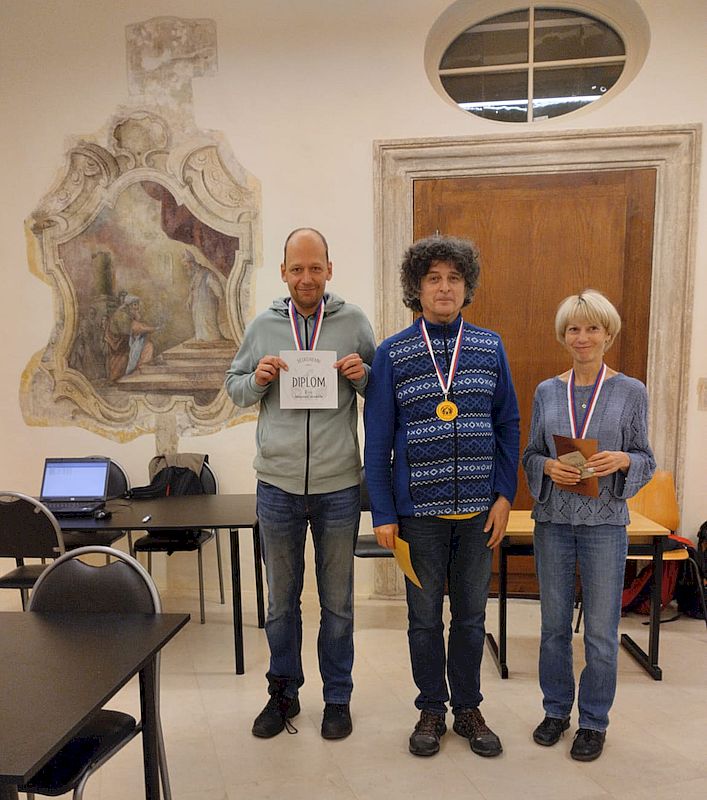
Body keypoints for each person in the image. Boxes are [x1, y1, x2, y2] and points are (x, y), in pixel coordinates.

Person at [363, 235, 520, 758]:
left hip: (479, 515)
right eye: (434, 278)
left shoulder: (490, 347)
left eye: (454, 278)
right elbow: (378, 442)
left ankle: (468, 708)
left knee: (471, 619)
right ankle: (431, 707)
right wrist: (383, 512)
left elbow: (508, 425)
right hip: (418, 518)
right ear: (417, 288)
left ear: (466, 286)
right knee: (424, 619)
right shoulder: (392, 353)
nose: (445, 287)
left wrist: (504, 495)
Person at [225, 227, 376, 741]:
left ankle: (337, 699)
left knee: (338, 604)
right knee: (280, 604)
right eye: (297, 269)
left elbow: (381, 387)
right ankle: (283, 695)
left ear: (329, 269)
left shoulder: (354, 322)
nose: (306, 278)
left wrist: (363, 375)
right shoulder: (263, 326)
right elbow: (234, 387)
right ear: (283, 273)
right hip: (277, 487)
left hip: (338, 487)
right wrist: (257, 380)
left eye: (315, 268)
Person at [522, 289, 655, 762]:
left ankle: (594, 721)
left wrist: (624, 460)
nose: (582, 337)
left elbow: (646, 457)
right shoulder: (547, 391)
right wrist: (545, 467)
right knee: (553, 627)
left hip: (605, 525)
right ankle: (556, 711)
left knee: (600, 632)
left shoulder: (631, 391)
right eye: (573, 329)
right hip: (553, 523)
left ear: (607, 334)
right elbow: (531, 453)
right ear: (564, 336)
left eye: (592, 328)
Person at [104, 294, 157, 381]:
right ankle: (118, 378)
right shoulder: (121, 315)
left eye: (137, 305)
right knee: (121, 362)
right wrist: (149, 328)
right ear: (129, 305)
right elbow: (131, 329)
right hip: (118, 343)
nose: (137, 307)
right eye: (135, 305)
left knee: (145, 345)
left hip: (123, 341)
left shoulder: (127, 314)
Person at [183, 249, 226, 341]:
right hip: (197, 306)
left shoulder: (206, 273)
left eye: (186, 266)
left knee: (208, 324)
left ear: (192, 264)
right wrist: (189, 299)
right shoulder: (195, 275)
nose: (186, 268)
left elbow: (217, 288)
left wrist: (219, 294)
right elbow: (193, 289)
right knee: (199, 323)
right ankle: (202, 339)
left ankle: (213, 340)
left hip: (207, 304)